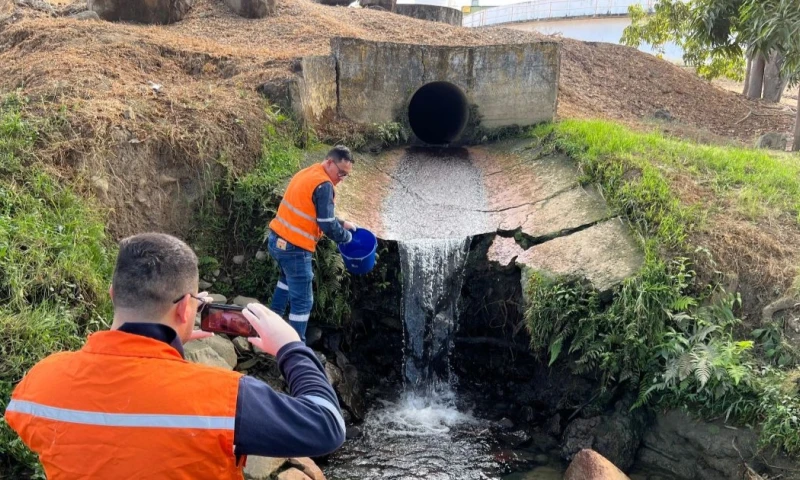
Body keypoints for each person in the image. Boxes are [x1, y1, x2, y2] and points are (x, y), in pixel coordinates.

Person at [3, 233, 345, 480]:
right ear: (186, 309)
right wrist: (290, 347)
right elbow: (327, 426)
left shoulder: (40, 382)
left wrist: (168, 345)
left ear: (113, 294)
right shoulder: (224, 397)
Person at [267, 145, 357, 343]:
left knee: (285, 282)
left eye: (346, 175)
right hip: (295, 249)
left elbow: (313, 211)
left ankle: (269, 331)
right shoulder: (324, 185)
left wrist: (342, 222)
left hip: (277, 240)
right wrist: (346, 237)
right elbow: (325, 224)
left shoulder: (308, 173)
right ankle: (295, 351)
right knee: (303, 302)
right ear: (329, 162)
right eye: (340, 172)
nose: (341, 178)